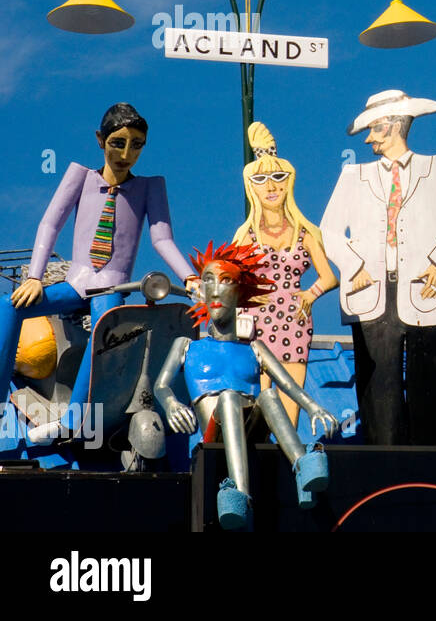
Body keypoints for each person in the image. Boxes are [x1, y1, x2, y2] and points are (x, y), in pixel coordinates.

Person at [2, 103, 197, 443]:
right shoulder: (80, 176)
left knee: (107, 327)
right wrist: (34, 276)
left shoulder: (150, 187)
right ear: (100, 140)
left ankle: (73, 419)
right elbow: (50, 223)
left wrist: (190, 276)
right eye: (117, 142)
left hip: (111, 285)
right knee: (9, 306)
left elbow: (162, 238)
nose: (125, 153)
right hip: (76, 282)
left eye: (136, 144)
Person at [320, 90, 436, 446]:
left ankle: (432, 470)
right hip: (371, 292)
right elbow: (327, 231)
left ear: (394, 126)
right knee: (378, 389)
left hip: (427, 289)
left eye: (374, 129)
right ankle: (384, 464)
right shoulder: (353, 175)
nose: (369, 138)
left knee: (431, 388)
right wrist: (354, 266)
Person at [154, 242, 337, 530]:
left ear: (240, 292)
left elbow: (287, 384)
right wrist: (171, 403)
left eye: (226, 281)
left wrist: (313, 407)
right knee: (228, 398)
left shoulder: (255, 348)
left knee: (268, 394)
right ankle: (241, 495)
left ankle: (302, 467)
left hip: (253, 427)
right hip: (216, 430)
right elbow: (161, 385)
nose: (215, 290)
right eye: (208, 282)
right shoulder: (187, 346)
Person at [232, 122, 338, 428]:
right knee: (261, 396)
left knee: (291, 396)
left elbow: (328, 276)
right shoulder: (246, 236)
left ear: (288, 181)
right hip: (257, 321)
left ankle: (287, 457)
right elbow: (232, 278)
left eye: (278, 177)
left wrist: (310, 293)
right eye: (262, 179)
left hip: (294, 318)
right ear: (252, 186)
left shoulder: (304, 233)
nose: (271, 186)